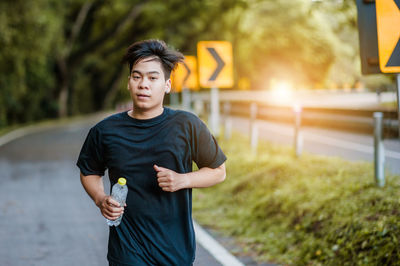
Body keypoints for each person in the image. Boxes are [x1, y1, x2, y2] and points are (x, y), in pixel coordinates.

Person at [77, 39, 227, 266]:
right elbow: (89, 170)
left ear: (167, 84)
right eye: (137, 77)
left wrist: (182, 180)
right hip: (127, 251)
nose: (143, 84)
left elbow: (218, 171)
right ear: (129, 83)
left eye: (152, 77)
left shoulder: (187, 125)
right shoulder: (105, 131)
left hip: (175, 251)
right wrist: (100, 199)